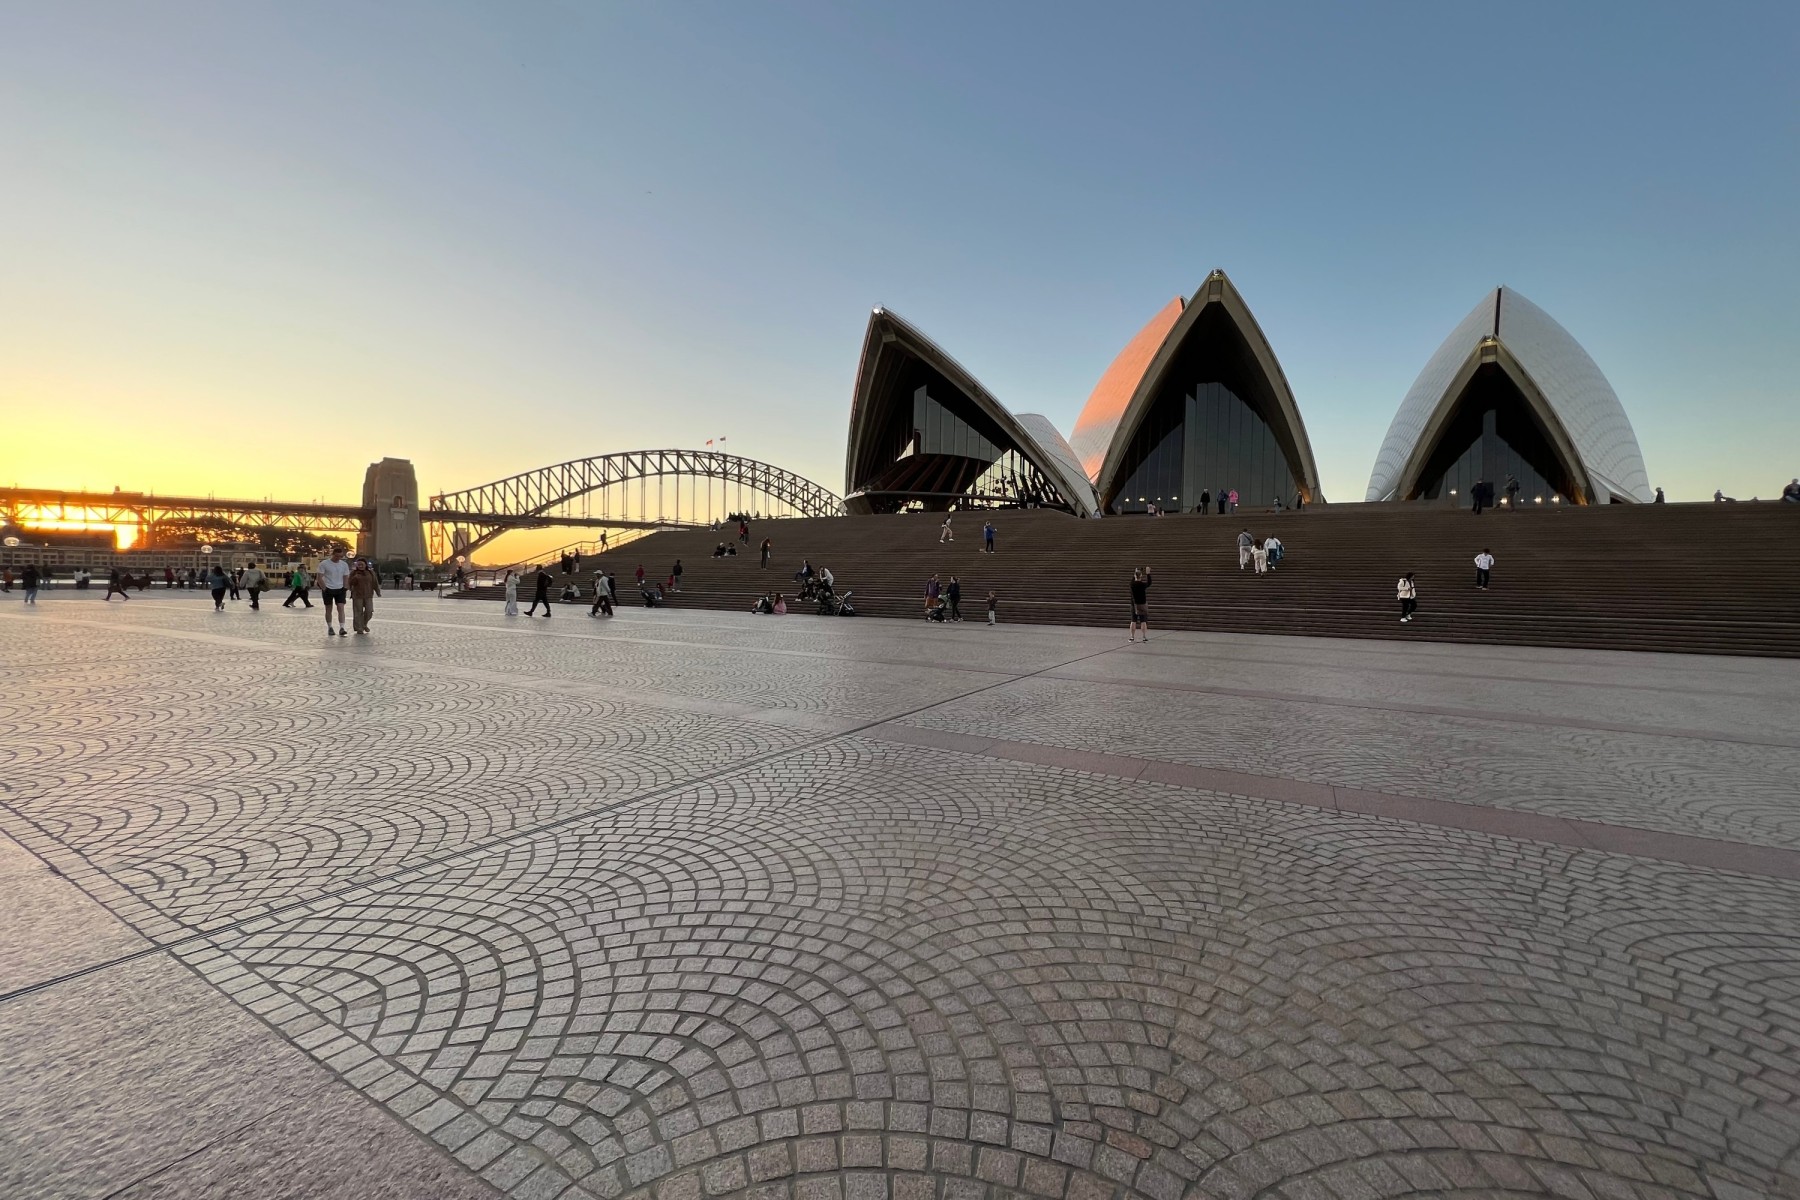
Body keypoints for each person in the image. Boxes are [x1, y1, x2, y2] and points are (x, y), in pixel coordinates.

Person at [316, 546, 351, 634]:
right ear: (332, 554)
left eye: (340, 556)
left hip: (340, 589)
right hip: (328, 588)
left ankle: (342, 628)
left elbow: (346, 577)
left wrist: (345, 587)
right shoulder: (324, 563)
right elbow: (319, 577)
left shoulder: (344, 564)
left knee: (341, 607)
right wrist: (324, 588)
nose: (338, 558)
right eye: (336, 556)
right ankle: (330, 627)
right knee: (328, 608)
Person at [348, 557, 381, 634]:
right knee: (358, 612)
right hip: (357, 595)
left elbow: (375, 582)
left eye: (362, 564)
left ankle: (364, 624)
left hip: (368, 595)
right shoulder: (354, 573)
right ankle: (359, 628)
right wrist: (355, 578)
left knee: (369, 611)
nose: (360, 566)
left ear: (365, 565)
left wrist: (377, 591)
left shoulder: (371, 573)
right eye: (358, 565)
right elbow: (350, 583)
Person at [1129, 566, 1152, 642]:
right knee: (1143, 621)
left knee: (1133, 621)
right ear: (1141, 576)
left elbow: (1133, 580)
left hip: (1134, 605)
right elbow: (1149, 583)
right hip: (1142, 604)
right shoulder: (1142, 585)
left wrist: (1135, 573)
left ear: (1135, 575)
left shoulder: (1132, 584)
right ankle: (1144, 637)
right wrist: (1148, 573)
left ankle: (1132, 637)